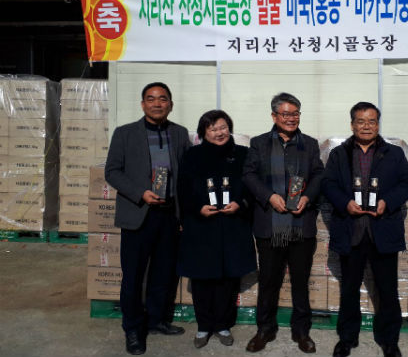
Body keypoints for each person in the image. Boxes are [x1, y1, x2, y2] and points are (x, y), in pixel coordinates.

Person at [321, 102, 408, 357]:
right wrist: (344, 203)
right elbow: (328, 184)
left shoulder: (393, 153)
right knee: (349, 289)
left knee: (387, 289)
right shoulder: (339, 154)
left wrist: (388, 201)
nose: (366, 126)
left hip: (382, 231)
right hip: (351, 230)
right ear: (352, 124)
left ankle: (389, 340)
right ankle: (347, 338)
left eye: (372, 121)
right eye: (361, 121)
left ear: (378, 124)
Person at [105, 82, 190, 355]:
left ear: (170, 104)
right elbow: (112, 171)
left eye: (162, 99)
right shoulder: (125, 133)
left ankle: (156, 320)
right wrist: (140, 193)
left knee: (163, 273)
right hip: (138, 214)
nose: (157, 104)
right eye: (151, 99)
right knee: (133, 276)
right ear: (143, 104)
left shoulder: (179, 133)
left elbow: (187, 173)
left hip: (169, 215)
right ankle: (132, 329)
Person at [243, 92, 324, 354]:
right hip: (270, 225)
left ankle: (301, 331)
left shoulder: (309, 144)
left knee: (300, 282)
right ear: (274, 116)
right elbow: (249, 175)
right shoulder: (259, 143)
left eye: (295, 113)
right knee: (269, 281)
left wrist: (308, 197)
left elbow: (319, 175)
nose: (291, 118)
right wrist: (269, 196)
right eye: (286, 114)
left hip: (301, 225)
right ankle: (265, 329)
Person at [176, 110, 256, 349]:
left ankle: (223, 325)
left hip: (232, 225)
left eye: (223, 127)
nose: (219, 133)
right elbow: (183, 189)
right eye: (213, 129)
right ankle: (203, 326)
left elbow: (252, 187)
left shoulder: (243, 154)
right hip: (201, 226)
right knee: (202, 278)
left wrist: (240, 204)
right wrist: (197, 208)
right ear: (203, 133)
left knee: (228, 278)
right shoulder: (192, 155)